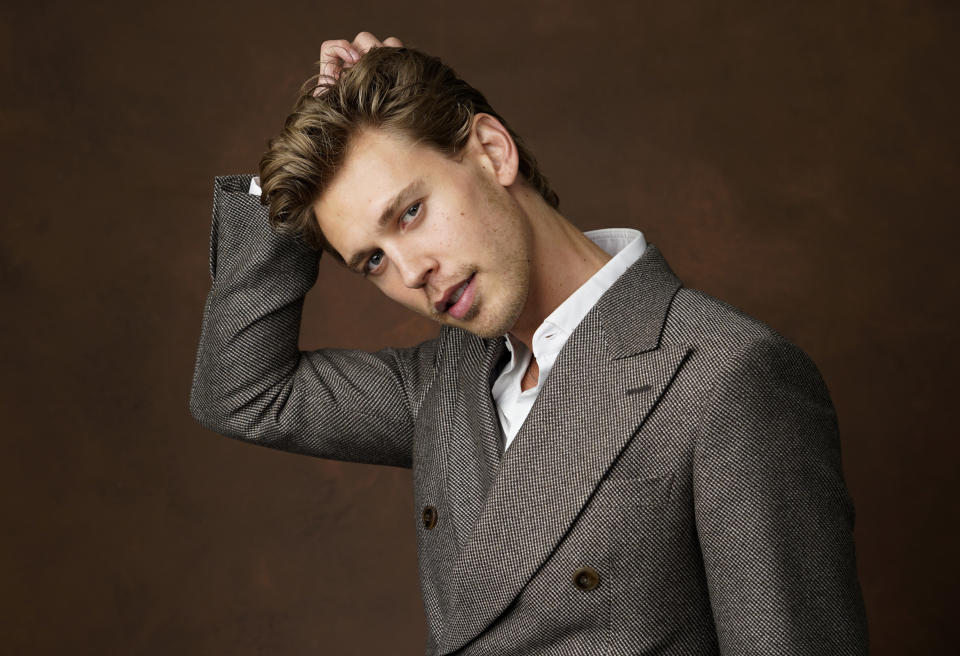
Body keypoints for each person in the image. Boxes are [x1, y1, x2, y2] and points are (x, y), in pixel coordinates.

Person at [190, 31, 868, 655]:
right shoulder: (441, 387)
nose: (411, 271)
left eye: (411, 211)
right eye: (371, 260)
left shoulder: (726, 374)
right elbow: (242, 393)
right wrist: (296, 174)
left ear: (492, 150)